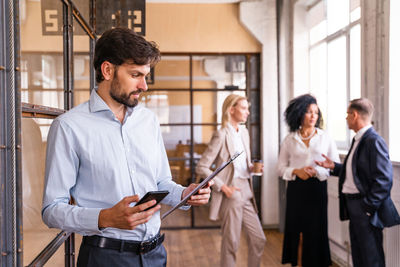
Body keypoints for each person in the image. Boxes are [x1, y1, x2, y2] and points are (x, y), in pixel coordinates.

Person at [41, 28, 212, 267]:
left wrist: (184, 194)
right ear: (108, 70)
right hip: (104, 258)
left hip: (156, 254)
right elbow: (51, 210)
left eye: (146, 76)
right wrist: (104, 218)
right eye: (136, 75)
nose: (144, 85)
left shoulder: (148, 121)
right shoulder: (69, 127)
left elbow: (161, 182)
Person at [315, 98, 400, 267]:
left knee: (371, 258)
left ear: (354, 115)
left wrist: (368, 207)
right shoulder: (358, 140)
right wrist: (333, 167)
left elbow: (384, 180)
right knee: (359, 257)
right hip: (353, 206)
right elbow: (356, 173)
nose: (346, 119)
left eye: (348, 114)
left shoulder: (373, 141)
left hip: (364, 207)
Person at [195, 94, 266, 267]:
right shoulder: (221, 134)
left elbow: (242, 163)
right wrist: (223, 187)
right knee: (231, 242)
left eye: (247, 108)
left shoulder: (244, 132)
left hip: (246, 190)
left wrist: (251, 168)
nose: (247, 112)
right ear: (231, 109)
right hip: (231, 191)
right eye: (243, 108)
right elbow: (202, 166)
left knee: (259, 239)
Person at [277, 94, 339, 267]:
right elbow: (280, 168)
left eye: (316, 113)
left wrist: (316, 171)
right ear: (299, 114)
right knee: (296, 229)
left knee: (315, 230)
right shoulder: (289, 139)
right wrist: (296, 171)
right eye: (309, 112)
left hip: (317, 188)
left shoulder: (325, 137)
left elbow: (335, 165)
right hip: (296, 189)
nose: (313, 116)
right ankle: (295, 262)